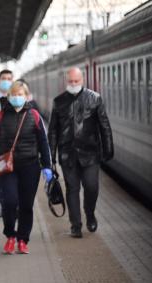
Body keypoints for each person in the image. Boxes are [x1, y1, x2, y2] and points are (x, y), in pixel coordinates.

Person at [0, 81, 52, 254]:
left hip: (30, 166)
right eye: (14, 94)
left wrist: (47, 166)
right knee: (9, 202)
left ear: (26, 96)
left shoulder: (34, 115)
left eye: (20, 94)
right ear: (8, 97)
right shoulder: (0, 116)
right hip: (6, 167)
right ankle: (10, 235)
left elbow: (43, 143)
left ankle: (23, 239)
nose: (17, 97)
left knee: (26, 204)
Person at [48, 67, 114, 238]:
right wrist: (51, 157)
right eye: (70, 81)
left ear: (82, 80)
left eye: (76, 81)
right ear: (66, 81)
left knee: (92, 187)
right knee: (72, 189)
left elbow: (104, 126)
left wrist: (108, 150)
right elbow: (53, 131)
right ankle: (75, 225)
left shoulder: (95, 98)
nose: (73, 84)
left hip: (90, 153)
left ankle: (90, 213)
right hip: (67, 154)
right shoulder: (59, 101)